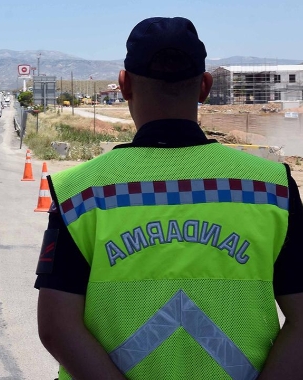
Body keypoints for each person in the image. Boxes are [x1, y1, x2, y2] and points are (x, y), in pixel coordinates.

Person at [35, 17, 303, 380]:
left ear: (124, 85)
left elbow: (56, 327)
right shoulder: (271, 187)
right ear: (205, 86)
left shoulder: (79, 191)